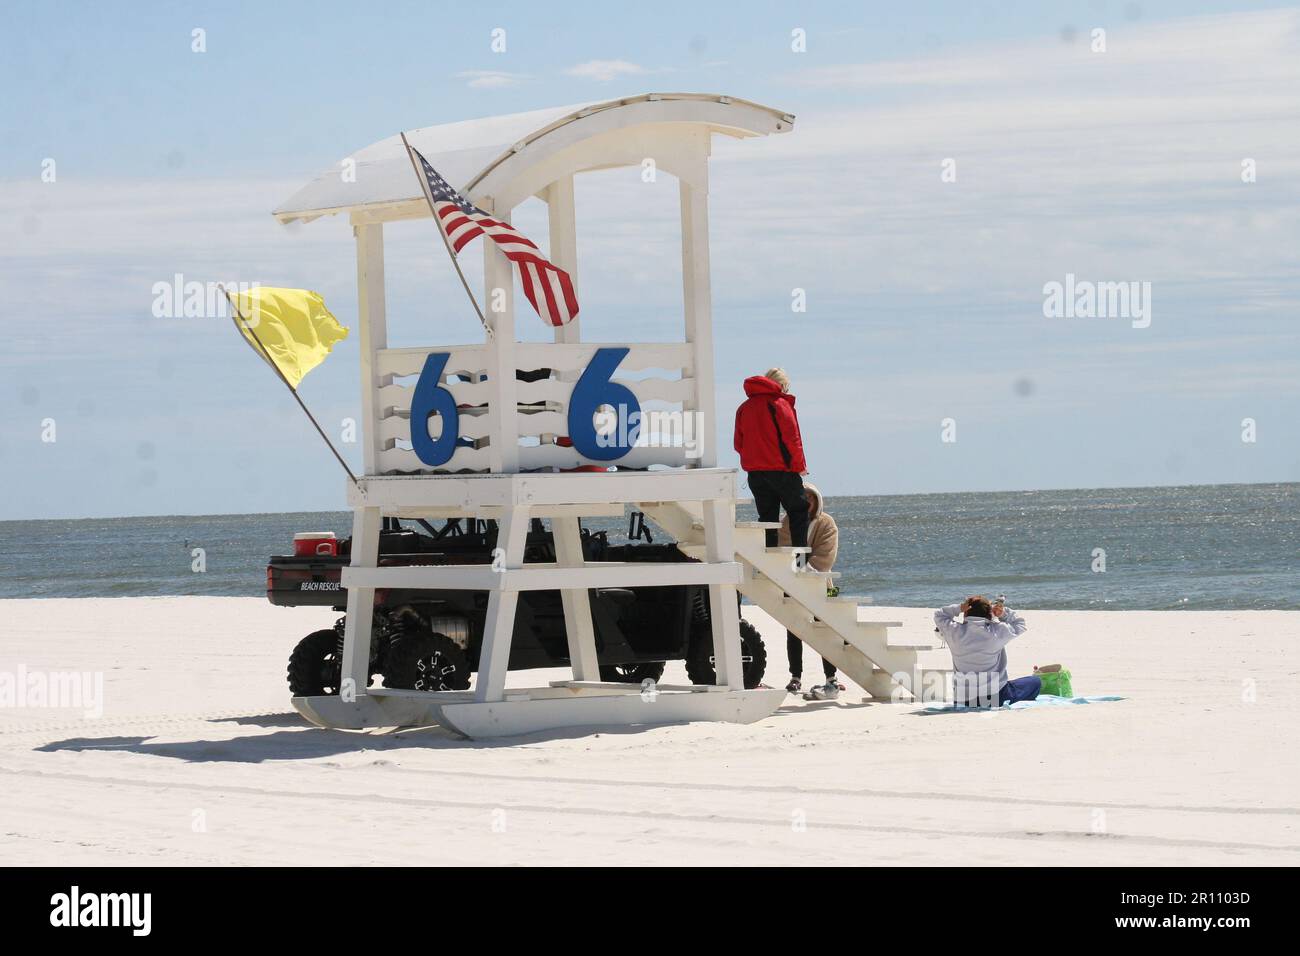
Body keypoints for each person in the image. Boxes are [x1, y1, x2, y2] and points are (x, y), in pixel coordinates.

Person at [734, 367, 809, 551]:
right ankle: (801, 561)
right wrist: (800, 467)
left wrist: (753, 459)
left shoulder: (744, 408)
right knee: (799, 511)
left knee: (767, 519)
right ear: (782, 385)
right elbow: (792, 440)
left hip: (755, 474)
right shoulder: (779, 403)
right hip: (781, 470)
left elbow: (738, 443)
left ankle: (769, 560)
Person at [779, 482, 843, 698]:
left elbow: (827, 554)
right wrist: (795, 573)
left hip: (824, 585)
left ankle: (831, 676)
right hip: (792, 585)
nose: (807, 501)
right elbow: (783, 549)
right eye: (803, 496)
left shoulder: (827, 523)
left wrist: (807, 569)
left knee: (826, 628)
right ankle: (795, 677)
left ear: (817, 500)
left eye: (811, 497)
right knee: (793, 628)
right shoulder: (787, 522)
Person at [934, 596, 1038, 707]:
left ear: (966, 613)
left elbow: (939, 615)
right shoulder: (997, 631)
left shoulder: (954, 631)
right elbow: (1020, 624)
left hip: (963, 699)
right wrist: (1003, 614)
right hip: (996, 697)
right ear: (989, 613)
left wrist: (959, 608)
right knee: (1035, 682)